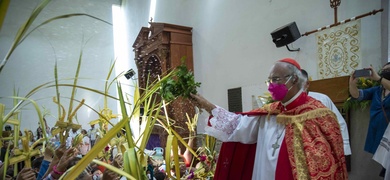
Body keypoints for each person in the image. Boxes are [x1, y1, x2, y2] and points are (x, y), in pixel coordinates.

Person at [190, 58, 347, 179]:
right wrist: (207, 105)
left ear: (293, 79)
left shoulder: (317, 114)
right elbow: (237, 125)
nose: (271, 85)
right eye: (269, 80)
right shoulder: (270, 113)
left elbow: (325, 163)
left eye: (276, 79)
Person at [349, 62, 390, 177]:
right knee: (385, 168)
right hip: (378, 133)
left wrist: (378, 78)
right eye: (383, 70)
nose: (385, 72)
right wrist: (352, 84)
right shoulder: (378, 90)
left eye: (388, 70)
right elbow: (357, 95)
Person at [301, 69, 352, 155]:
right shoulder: (285, 104)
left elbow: (339, 123)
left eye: (300, 82)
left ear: (307, 84)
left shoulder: (322, 99)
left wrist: (344, 148)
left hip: (321, 150)